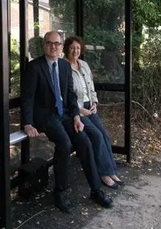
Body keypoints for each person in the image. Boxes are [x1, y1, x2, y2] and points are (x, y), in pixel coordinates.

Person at [21, 31, 113, 213]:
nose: (53, 46)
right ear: (44, 45)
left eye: (56, 43)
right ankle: (60, 192)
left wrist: (77, 117)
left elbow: (70, 95)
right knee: (64, 143)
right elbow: (28, 98)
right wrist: (28, 123)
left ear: (61, 46)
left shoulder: (64, 66)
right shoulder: (34, 67)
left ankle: (96, 190)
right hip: (46, 117)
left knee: (84, 140)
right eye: (49, 43)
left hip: (64, 114)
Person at [63, 35, 125, 189]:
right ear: (66, 49)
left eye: (78, 48)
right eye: (72, 48)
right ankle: (103, 173)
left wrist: (95, 102)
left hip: (90, 107)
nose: (75, 51)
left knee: (104, 135)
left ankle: (111, 171)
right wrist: (78, 109)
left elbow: (91, 87)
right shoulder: (63, 67)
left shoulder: (84, 64)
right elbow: (64, 95)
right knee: (96, 136)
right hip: (76, 111)